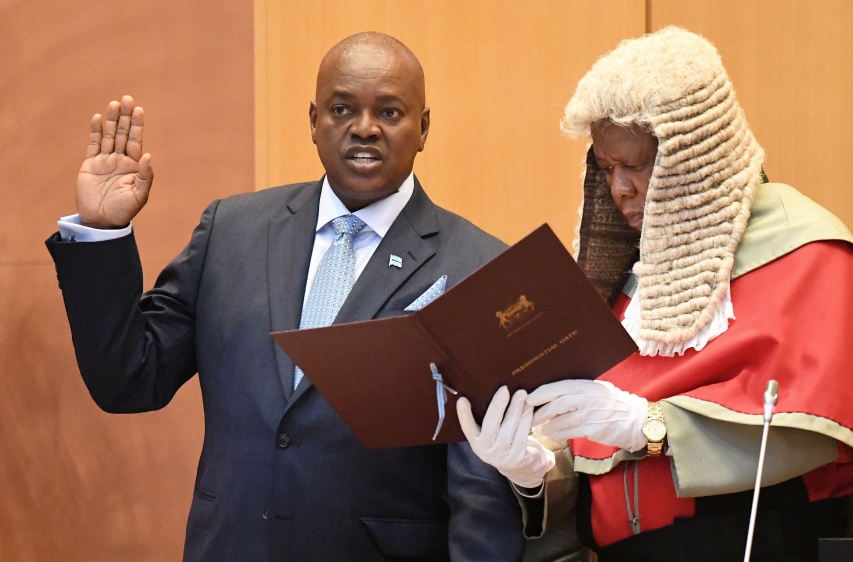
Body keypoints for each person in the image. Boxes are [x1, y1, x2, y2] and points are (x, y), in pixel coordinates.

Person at [457, 27, 853, 562]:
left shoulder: (806, 252)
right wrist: (533, 470)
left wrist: (648, 425)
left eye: (639, 164)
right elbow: (595, 474)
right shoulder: (626, 280)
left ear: (697, 160)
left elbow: (817, 429)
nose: (619, 188)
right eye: (606, 168)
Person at [46, 32, 525, 562]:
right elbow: (129, 378)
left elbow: (481, 487)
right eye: (343, 108)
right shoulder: (232, 230)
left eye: (389, 112)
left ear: (423, 128)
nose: (364, 128)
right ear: (314, 121)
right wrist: (102, 233)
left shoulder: (478, 266)